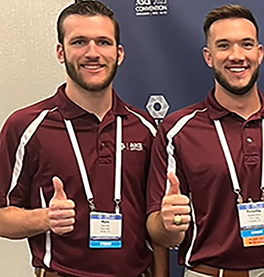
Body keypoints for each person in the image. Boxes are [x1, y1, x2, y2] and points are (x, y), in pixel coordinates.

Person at [0, 1, 168, 276]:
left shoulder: (146, 128)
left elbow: (156, 221)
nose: (93, 53)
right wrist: (45, 218)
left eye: (103, 42)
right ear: (60, 52)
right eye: (79, 42)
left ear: (119, 53)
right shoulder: (25, 126)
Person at [146, 4, 264, 277]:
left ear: (259, 53)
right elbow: (157, 231)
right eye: (224, 46)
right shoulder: (177, 130)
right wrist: (168, 225)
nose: (236, 56)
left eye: (246, 45)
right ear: (209, 56)